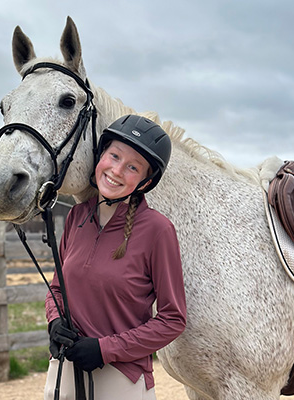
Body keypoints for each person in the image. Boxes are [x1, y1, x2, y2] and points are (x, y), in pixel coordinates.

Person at [44, 114, 186, 400]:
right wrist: (55, 322)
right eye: (114, 156)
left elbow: (173, 319)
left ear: (145, 182)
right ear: (100, 156)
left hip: (122, 378)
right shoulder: (76, 217)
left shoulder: (158, 231)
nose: (117, 170)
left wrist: (105, 349)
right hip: (64, 369)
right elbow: (57, 289)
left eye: (132, 167)